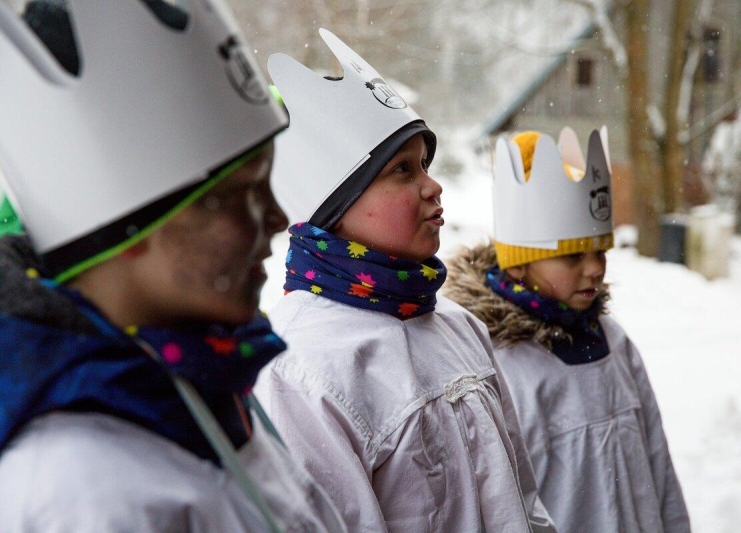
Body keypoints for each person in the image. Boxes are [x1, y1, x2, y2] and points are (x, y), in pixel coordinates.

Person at [0, 2, 346, 531]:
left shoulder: (213, 381)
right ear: (132, 228)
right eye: (241, 195)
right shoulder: (79, 490)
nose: (278, 218)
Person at [255, 29, 557, 533]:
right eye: (402, 170)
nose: (433, 185)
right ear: (335, 205)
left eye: (425, 164)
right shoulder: (300, 367)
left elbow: (524, 505)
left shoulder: (459, 327)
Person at [443, 129, 692, 533]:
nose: (594, 268)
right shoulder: (498, 364)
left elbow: (658, 463)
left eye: (601, 252)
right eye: (573, 255)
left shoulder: (614, 342)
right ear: (519, 264)